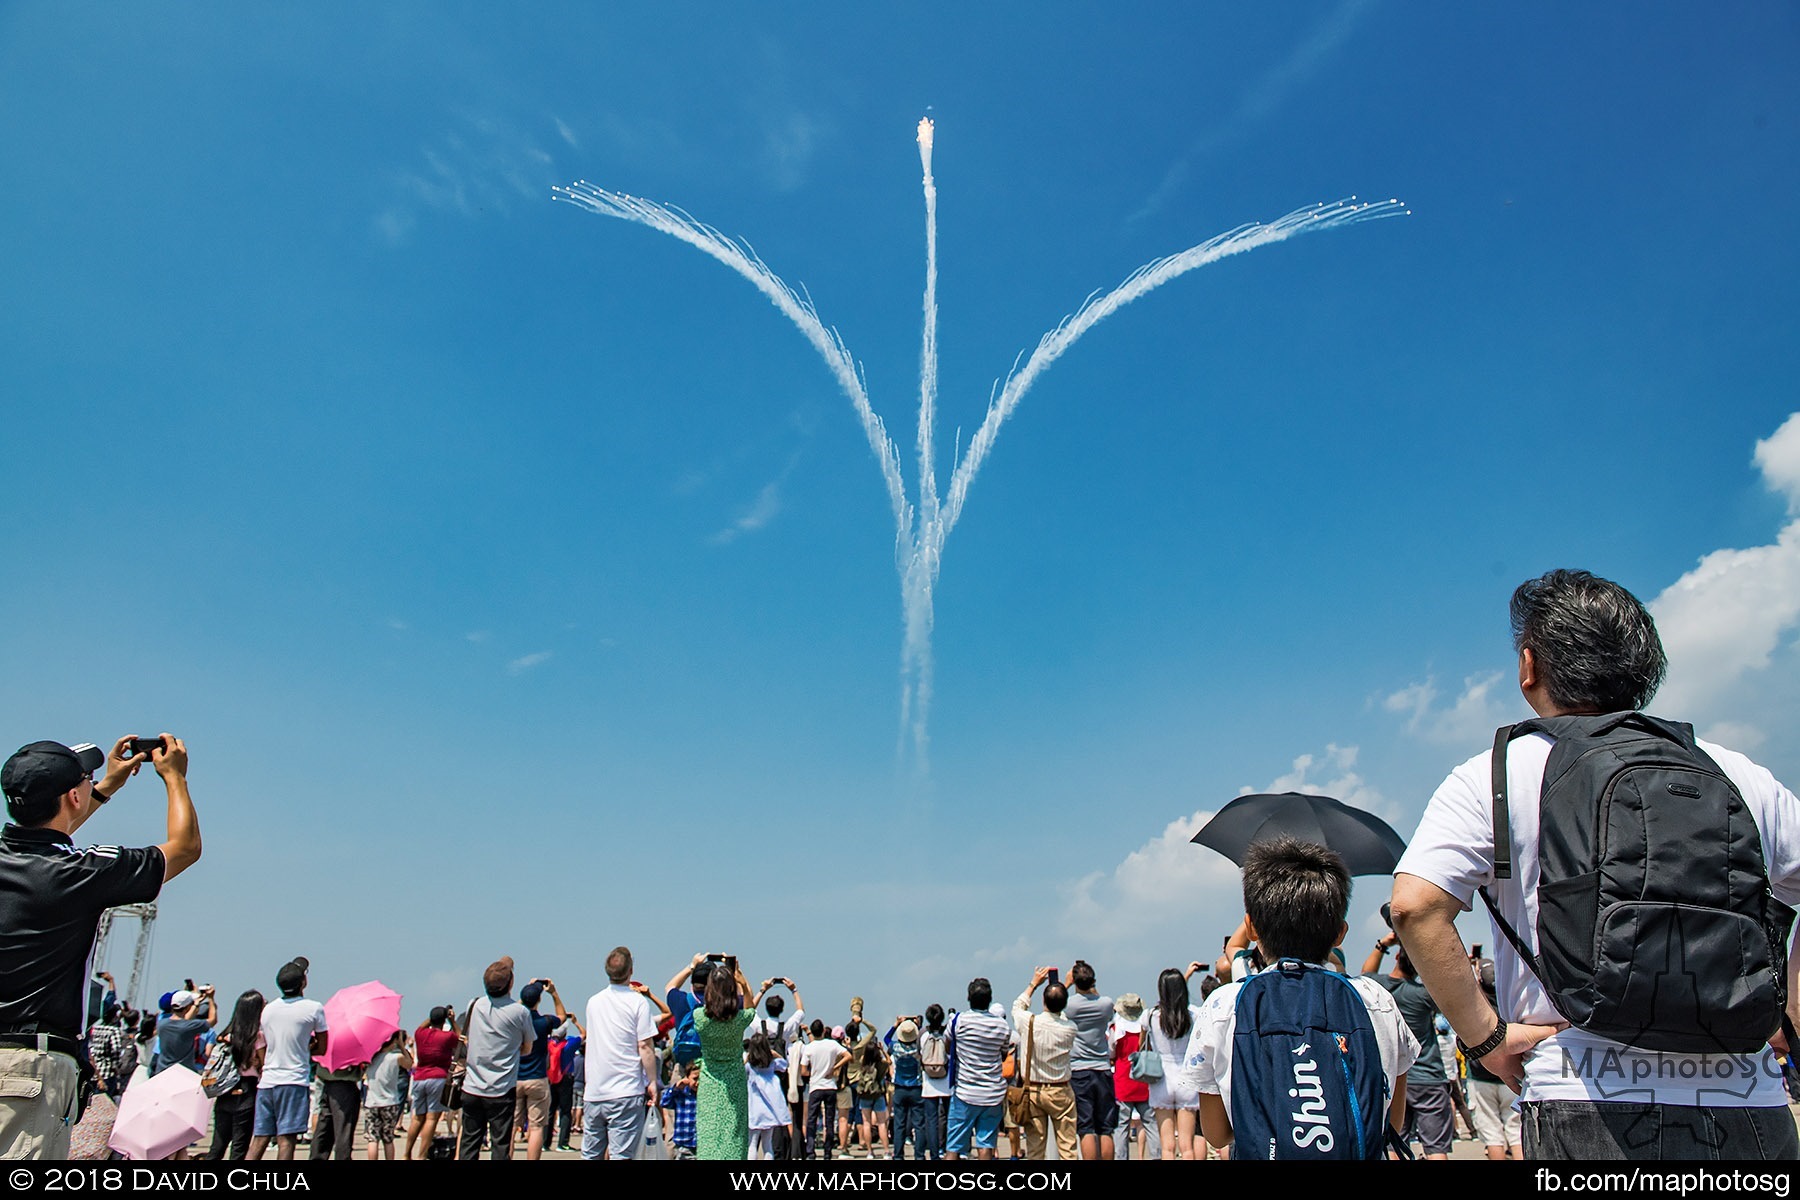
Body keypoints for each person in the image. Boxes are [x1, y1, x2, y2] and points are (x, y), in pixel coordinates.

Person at [1391, 568, 1800, 1160]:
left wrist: (1486, 1040)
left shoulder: (1497, 773)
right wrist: (1787, 1017)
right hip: (1747, 1098)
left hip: (1584, 1092)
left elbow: (1415, 907)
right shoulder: (1734, 771)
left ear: (1529, 667)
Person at [0, 734, 199, 1159]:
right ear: (73, 796)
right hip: (28, 1068)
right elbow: (184, 848)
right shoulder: (76, 873)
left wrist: (105, 786)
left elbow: (46, 833)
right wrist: (175, 778)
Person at [1194, 837, 1416, 1157]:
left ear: (1252, 929)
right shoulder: (1376, 1000)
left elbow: (1217, 1134)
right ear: (1340, 933)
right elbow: (1390, 1119)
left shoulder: (1223, 1005)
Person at [1361, 933, 1455, 1159]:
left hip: (1393, 1077)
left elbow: (1366, 973)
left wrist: (1383, 944)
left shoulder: (1378, 987)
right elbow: (1447, 990)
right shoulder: (1424, 994)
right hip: (1429, 1076)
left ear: (1397, 957)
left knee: (1393, 1144)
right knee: (1436, 1148)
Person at [581, 946, 661, 1161]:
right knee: (622, 1155)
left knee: (590, 1154)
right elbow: (644, 1045)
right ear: (630, 971)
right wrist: (652, 1081)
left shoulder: (593, 1002)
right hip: (625, 1089)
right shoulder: (638, 1003)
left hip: (595, 1091)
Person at [246, 958, 328, 1161]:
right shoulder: (313, 1008)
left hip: (268, 1082)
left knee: (260, 1138)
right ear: (303, 983)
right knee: (286, 1139)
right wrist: (307, 1046)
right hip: (293, 1079)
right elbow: (322, 1048)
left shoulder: (268, 1010)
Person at [458, 956, 535, 1160]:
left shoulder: (474, 1005)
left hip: (472, 1086)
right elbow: (528, 1048)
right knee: (500, 1145)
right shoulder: (520, 1012)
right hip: (501, 1088)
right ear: (510, 983)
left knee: (469, 1143)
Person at [694, 958, 759, 1159]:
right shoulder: (739, 1020)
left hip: (709, 1080)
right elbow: (750, 1008)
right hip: (735, 1080)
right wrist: (741, 981)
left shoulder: (700, 1018)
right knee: (734, 1131)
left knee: (709, 1131)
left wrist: (695, 968)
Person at [1011, 966, 1077, 1160]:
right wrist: (1064, 986)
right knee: (1068, 1148)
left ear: (1043, 1001)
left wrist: (1034, 984)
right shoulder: (1070, 1028)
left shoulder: (1029, 1022)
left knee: (1035, 1149)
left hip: (1034, 1091)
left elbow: (1017, 1007)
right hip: (1061, 1090)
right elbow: (1059, 1013)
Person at [944, 978, 1012, 1160]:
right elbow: (1003, 1054)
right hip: (992, 1093)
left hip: (965, 1091)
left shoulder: (958, 1021)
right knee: (986, 1145)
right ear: (990, 999)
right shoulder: (1002, 1025)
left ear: (968, 997)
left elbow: (948, 1046)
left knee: (954, 1147)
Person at [1464, 956, 1521, 1160]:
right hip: (1512, 1076)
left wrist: (1471, 969)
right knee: (1516, 1134)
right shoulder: (1511, 1003)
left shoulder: (1476, 1006)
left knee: (1493, 1136)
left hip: (1481, 1077)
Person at [1062, 959, 1116, 1160]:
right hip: (1102, 1067)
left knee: (1086, 1128)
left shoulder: (1070, 1006)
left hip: (1078, 1069)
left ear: (1075, 982)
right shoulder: (1106, 1004)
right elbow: (1101, 1001)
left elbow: (1053, 1002)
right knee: (1106, 1128)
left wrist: (1066, 983)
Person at [513, 978, 571, 1160]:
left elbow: (514, 1009)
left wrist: (527, 993)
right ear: (538, 1001)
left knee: (511, 1127)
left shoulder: (515, 1020)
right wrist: (553, 993)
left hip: (514, 1078)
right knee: (536, 1127)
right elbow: (562, 1017)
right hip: (537, 1077)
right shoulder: (543, 1022)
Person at [205, 990, 264, 1160]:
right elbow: (263, 1065)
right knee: (239, 1146)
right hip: (247, 1089)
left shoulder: (225, 1036)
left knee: (218, 1144)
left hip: (225, 1090)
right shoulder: (257, 1038)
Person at [1108, 993, 1159, 1160]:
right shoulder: (1146, 1027)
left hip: (1123, 1079)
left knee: (1122, 1125)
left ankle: (1121, 1158)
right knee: (1150, 1124)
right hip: (1144, 1077)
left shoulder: (1117, 1029)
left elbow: (1111, 1053)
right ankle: (1156, 1156)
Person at [403, 1006, 457, 1160]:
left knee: (418, 1117)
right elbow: (461, 1039)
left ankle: (407, 1154)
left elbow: (422, 1025)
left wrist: (434, 1016)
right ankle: (422, 1155)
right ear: (443, 1020)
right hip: (438, 1076)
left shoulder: (420, 1034)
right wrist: (452, 1020)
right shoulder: (446, 1037)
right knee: (432, 1118)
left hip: (420, 1077)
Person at [800, 1018, 849, 1159]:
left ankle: (810, 1151)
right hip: (830, 1086)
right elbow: (848, 1055)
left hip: (815, 1086)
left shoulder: (809, 1047)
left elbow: (803, 1071)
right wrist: (835, 1067)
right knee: (829, 1120)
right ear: (823, 1031)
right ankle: (828, 1151)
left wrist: (813, 1073)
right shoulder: (831, 1044)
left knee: (811, 1120)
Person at [362, 1030, 413, 1161]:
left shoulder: (371, 1058)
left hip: (372, 1102)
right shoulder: (395, 1058)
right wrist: (402, 1045)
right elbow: (410, 1063)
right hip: (390, 1102)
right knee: (388, 1139)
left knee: (372, 1139)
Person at [153, 986, 217, 1076]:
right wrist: (211, 998)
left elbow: (181, 1021)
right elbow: (213, 1020)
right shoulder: (189, 1026)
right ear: (188, 1008)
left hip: (162, 1072)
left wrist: (194, 1004)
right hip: (183, 1074)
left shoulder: (162, 1024)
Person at [746, 1028, 790, 1160]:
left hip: (754, 1109)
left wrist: (748, 1057)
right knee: (767, 1144)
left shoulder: (750, 1066)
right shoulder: (771, 1064)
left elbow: (739, 1072)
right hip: (770, 1109)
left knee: (752, 1143)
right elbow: (784, 1065)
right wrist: (775, 1054)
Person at [917, 1004, 951, 1160]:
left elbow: (919, 1054)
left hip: (928, 1082)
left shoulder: (923, 1035)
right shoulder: (947, 1035)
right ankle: (948, 1149)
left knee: (931, 1121)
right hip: (946, 1082)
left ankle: (934, 1154)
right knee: (949, 1117)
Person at [661, 1060, 700, 1158]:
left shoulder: (705, 1096)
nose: (698, 1083)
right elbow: (664, 1102)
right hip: (684, 1145)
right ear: (687, 1078)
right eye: (695, 1079)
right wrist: (675, 1089)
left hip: (700, 1144)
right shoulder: (681, 1093)